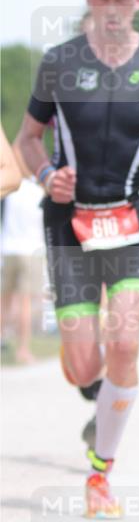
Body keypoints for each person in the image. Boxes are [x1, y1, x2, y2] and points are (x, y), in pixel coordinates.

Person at [17, 0, 139, 518]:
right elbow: (27, 140)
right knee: (81, 363)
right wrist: (48, 175)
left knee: (124, 344)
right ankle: (97, 397)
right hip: (68, 224)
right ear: (89, 2)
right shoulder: (58, 63)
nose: (113, 7)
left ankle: (100, 476)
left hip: (130, 221)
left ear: (138, 3)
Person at [1, 146, 45, 364]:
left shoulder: (11, 191)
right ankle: (23, 349)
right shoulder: (38, 192)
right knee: (25, 304)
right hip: (30, 250)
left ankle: (1, 340)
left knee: (4, 302)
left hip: (8, 248)